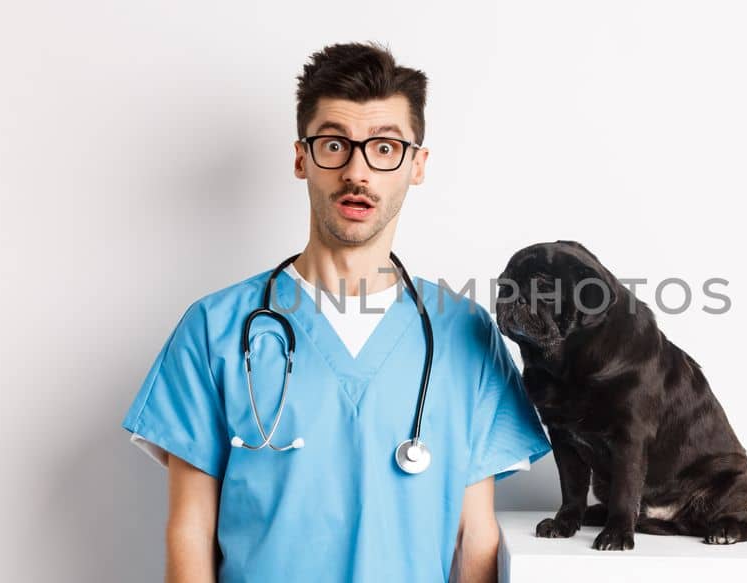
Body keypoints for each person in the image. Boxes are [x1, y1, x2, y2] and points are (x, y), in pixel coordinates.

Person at [120, 42, 552, 583]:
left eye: (385, 148)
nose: (357, 170)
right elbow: (189, 530)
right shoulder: (215, 328)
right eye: (334, 145)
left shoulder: (464, 333)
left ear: (416, 166)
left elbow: (475, 537)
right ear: (302, 158)